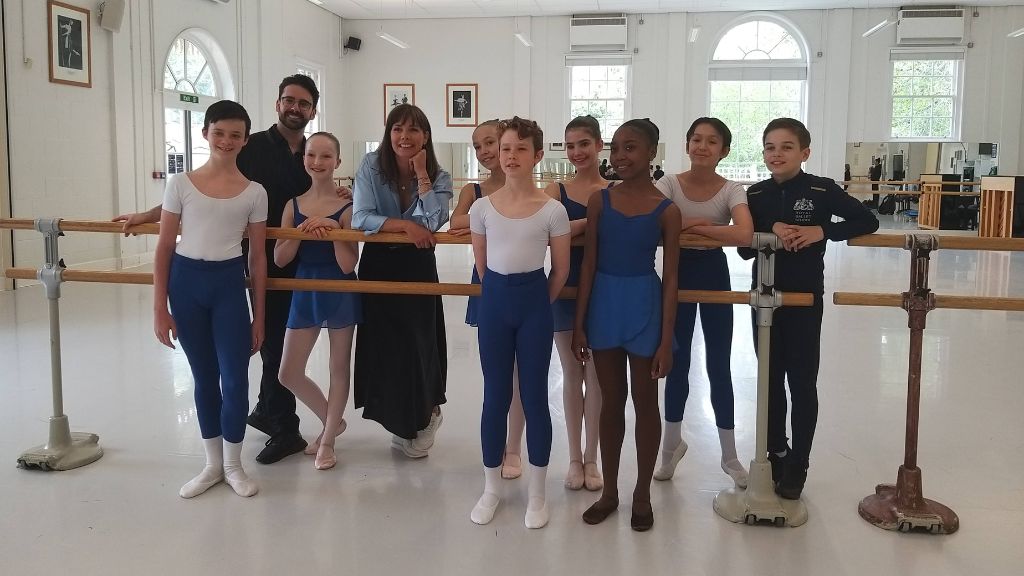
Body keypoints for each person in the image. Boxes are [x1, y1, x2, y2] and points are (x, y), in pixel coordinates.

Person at [115, 75, 330, 465]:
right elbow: (205, 186)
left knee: (282, 343)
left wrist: (342, 195)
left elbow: (324, 188)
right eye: (288, 100)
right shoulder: (254, 145)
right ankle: (281, 423)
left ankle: (269, 412)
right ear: (278, 103)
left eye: (303, 103)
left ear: (313, 110)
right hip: (252, 258)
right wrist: (150, 214)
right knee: (270, 345)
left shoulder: (312, 150)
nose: (295, 107)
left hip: (301, 257)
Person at [739, 117, 878, 500]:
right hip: (763, 298)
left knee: (801, 381)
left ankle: (799, 462)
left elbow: (867, 219)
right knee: (769, 377)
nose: (776, 154)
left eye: (786, 147)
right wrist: (768, 233)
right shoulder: (756, 195)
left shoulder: (821, 190)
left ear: (804, 153)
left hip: (804, 300)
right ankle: (776, 452)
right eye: (770, 147)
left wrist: (822, 231)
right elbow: (741, 247)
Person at [153, 100, 266, 498]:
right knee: (204, 378)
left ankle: (234, 465)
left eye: (235, 134)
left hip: (228, 287)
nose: (226, 140)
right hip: (186, 285)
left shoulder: (254, 192)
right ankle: (212, 464)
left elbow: (256, 258)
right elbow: (165, 246)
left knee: (235, 380)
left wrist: (259, 318)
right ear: (206, 134)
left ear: (245, 140)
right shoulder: (180, 183)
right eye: (219, 132)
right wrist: (159, 310)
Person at [572, 118, 681, 532]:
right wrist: (580, 322)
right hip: (604, 306)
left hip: (644, 306)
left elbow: (671, 279)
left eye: (631, 148)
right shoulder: (601, 201)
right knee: (609, 403)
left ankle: (641, 495)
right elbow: (589, 264)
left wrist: (667, 340)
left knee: (645, 403)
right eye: (615, 148)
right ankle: (611, 492)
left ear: (652, 152)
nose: (620, 156)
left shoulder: (667, 211)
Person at [469, 116, 570, 529]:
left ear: (537, 156)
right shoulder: (481, 208)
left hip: (534, 308)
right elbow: (481, 265)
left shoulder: (552, 210)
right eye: (505, 148)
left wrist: (535, 306)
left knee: (533, 397)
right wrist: (507, 298)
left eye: (520, 149)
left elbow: (559, 271)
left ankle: (538, 492)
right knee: (494, 396)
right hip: (495, 303)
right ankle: (492, 486)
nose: (510, 156)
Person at [653, 117, 753, 489]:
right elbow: (652, 224)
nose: (703, 146)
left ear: (724, 150)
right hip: (677, 277)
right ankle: (670, 447)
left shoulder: (732, 189)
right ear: (686, 144)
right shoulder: (668, 184)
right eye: (696, 139)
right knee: (674, 363)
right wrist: (711, 229)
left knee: (718, 364)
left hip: (714, 276)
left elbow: (743, 233)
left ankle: (729, 456)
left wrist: (690, 226)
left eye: (712, 142)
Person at [351, 104, 452, 458]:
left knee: (419, 343)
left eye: (413, 130)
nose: (404, 137)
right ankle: (400, 421)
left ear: (425, 136)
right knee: (386, 346)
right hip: (378, 264)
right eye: (397, 129)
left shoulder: (440, 175)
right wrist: (407, 225)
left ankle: (428, 414)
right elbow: (360, 217)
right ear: (388, 133)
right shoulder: (370, 166)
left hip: (418, 264)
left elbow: (436, 220)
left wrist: (422, 174)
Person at [274, 132, 361, 471]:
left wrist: (333, 228)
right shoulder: (291, 205)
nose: (317, 162)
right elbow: (281, 259)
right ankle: (332, 420)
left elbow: (347, 264)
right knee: (287, 372)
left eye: (326, 156)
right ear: (304, 158)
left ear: (337, 162)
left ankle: (327, 441)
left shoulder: (348, 206)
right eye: (311, 155)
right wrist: (302, 232)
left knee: (338, 368)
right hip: (305, 286)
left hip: (339, 288)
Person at [450, 119, 527, 479]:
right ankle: (496, 445)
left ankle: (514, 448)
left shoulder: (528, 190)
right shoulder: (475, 191)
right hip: (488, 280)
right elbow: (456, 222)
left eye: (490, 142)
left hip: (522, 283)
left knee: (519, 374)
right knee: (497, 374)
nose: (484, 151)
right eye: (478, 146)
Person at [544, 115, 608, 492]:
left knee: (597, 377)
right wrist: (589, 223)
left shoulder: (613, 189)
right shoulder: (556, 191)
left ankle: (592, 459)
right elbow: (548, 229)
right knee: (571, 373)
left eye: (584, 143)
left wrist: (573, 226)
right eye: (570, 145)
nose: (577, 152)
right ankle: (572, 458)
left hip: (602, 288)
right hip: (565, 285)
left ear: (600, 145)